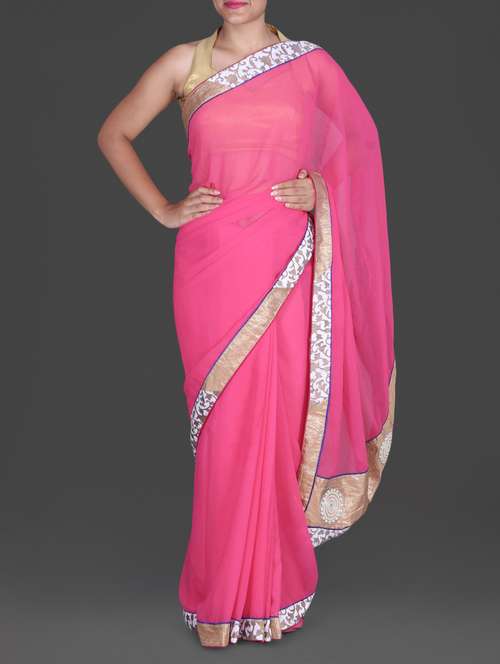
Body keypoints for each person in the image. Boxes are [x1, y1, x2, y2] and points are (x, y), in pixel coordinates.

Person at [97, 0, 397, 649]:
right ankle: (221, 598)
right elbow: (113, 134)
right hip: (213, 268)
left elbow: (359, 152)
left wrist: (318, 191)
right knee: (228, 430)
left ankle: (272, 594)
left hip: (285, 260)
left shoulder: (310, 64)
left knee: (279, 424)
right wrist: (164, 208)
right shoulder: (184, 63)